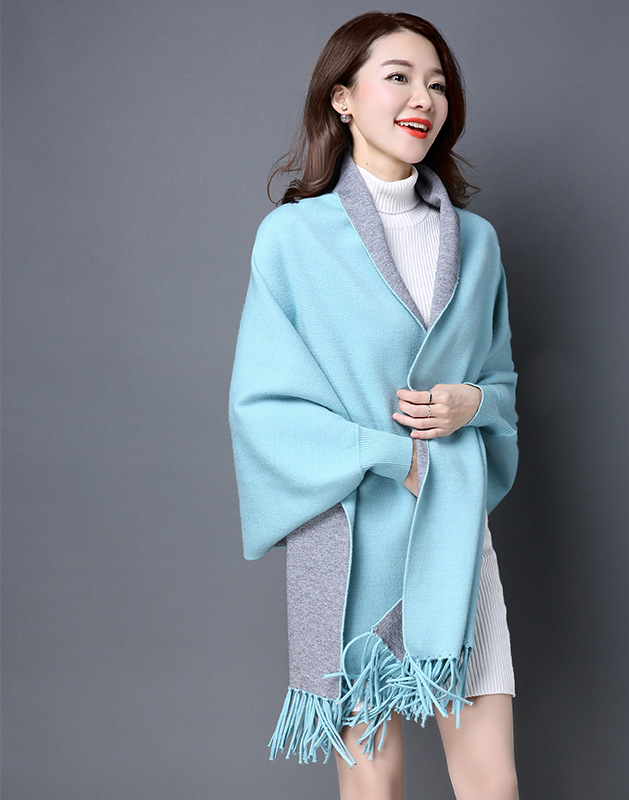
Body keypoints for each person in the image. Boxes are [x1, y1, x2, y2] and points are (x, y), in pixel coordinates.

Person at [229, 12, 519, 800]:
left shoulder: (478, 243)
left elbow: (502, 390)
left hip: (456, 529)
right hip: (353, 533)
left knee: (491, 779)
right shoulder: (292, 238)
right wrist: (397, 454)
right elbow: (263, 408)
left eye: (437, 84)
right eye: (399, 77)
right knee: (372, 785)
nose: (424, 97)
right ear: (343, 98)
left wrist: (471, 402)